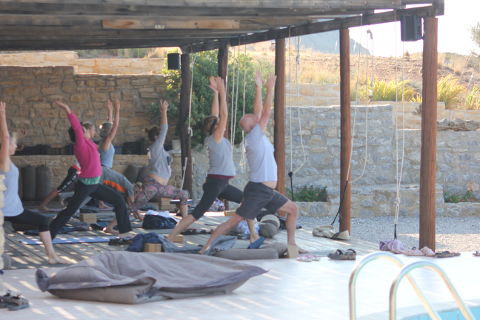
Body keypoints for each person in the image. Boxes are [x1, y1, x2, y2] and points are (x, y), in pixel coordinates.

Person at [200, 73, 302, 254]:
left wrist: (257, 87)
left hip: (266, 190)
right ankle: (207, 245)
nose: (257, 118)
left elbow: (259, 110)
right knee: (234, 221)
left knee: (292, 209)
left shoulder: (256, 134)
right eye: (253, 119)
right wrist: (270, 89)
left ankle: (292, 245)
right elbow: (265, 111)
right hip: (258, 190)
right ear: (251, 126)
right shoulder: (254, 136)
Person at [167, 76, 243, 241]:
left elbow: (215, 115)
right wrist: (223, 92)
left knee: (247, 200)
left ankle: (252, 233)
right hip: (216, 183)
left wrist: (215, 93)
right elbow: (223, 115)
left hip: (222, 183)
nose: (221, 125)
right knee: (198, 213)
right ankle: (171, 235)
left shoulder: (214, 137)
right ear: (215, 128)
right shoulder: (215, 138)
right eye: (218, 124)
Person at [48, 100, 132, 240]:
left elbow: (108, 128)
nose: (90, 130)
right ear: (81, 133)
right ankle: (49, 233)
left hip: (95, 184)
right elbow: (76, 127)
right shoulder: (80, 145)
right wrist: (68, 109)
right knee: (70, 211)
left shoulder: (89, 142)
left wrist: (111, 112)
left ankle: (123, 234)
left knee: (118, 200)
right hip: (87, 185)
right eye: (86, 129)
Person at [0, 101, 66, 264]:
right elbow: (6, 137)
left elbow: (10, 137)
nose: (16, 146)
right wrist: (2, 115)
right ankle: (51, 256)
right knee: (42, 221)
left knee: (42, 221)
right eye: (13, 144)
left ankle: (52, 256)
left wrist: (18, 135)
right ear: (6, 146)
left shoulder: (8, 161)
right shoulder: (4, 162)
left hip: (14, 209)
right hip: (8, 211)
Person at [129, 100, 189, 217]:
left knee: (184, 194)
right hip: (153, 185)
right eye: (160, 136)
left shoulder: (160, 151)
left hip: (161, 187)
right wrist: (164, 112)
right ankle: (111, 226)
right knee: (133, 206)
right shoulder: (155, 146)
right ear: (156, 137)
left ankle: (185, 221)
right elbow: (164, 129)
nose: (163, 138)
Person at [98, 99, 120, 168]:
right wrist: (117, 109)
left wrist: (110, 110)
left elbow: (109, 125)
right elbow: (115, 125)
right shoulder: (107, 140)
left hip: (104, 169)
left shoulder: (103, 140)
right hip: (105, 170)